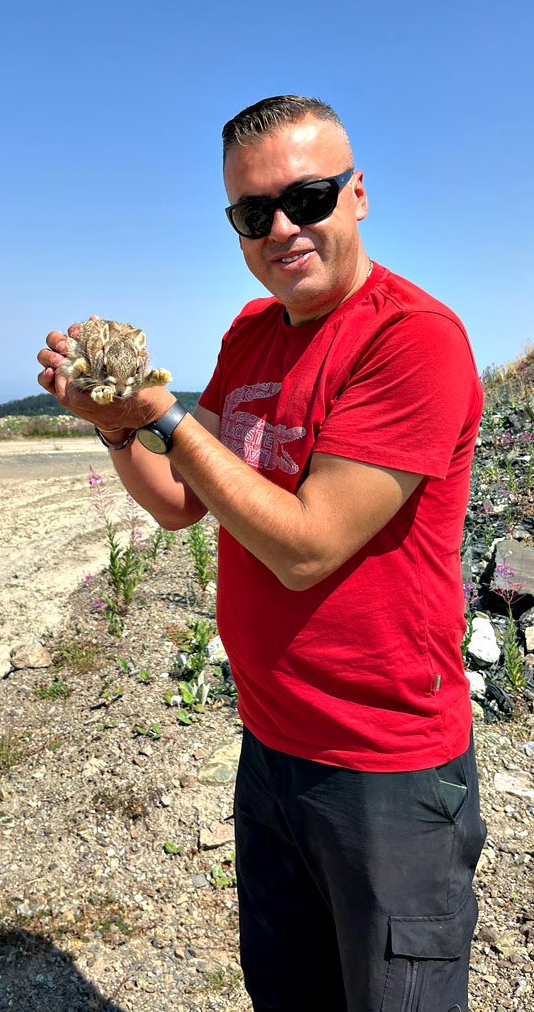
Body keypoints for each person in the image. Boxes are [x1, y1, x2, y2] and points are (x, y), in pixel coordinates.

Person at [37, 95, 486, 1012]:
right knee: (287, 994)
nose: (283, 227)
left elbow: (307, 548)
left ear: (358, 195)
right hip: (271, 747)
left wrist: (160, 411)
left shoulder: (413, 341)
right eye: (253, 212)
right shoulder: (249, 333)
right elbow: (177, 502)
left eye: (309, 197)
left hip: (387, 764)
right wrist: (117, 428)